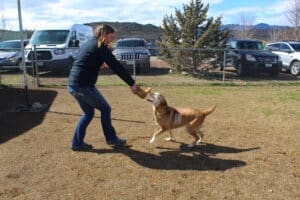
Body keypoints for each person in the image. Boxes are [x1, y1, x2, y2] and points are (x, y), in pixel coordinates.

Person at [67, 24, 140, 151]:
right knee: (105, 109)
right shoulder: (101, 47)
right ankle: (111, 139)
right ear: (103, 35)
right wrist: (132, 83)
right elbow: (116, 66)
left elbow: (82, 60)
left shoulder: (89, 43)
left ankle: (77, 143)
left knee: (88, 113)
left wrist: (97, 64)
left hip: (73, 85)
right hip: (84, 86)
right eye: (111, 37)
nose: (112, 39)